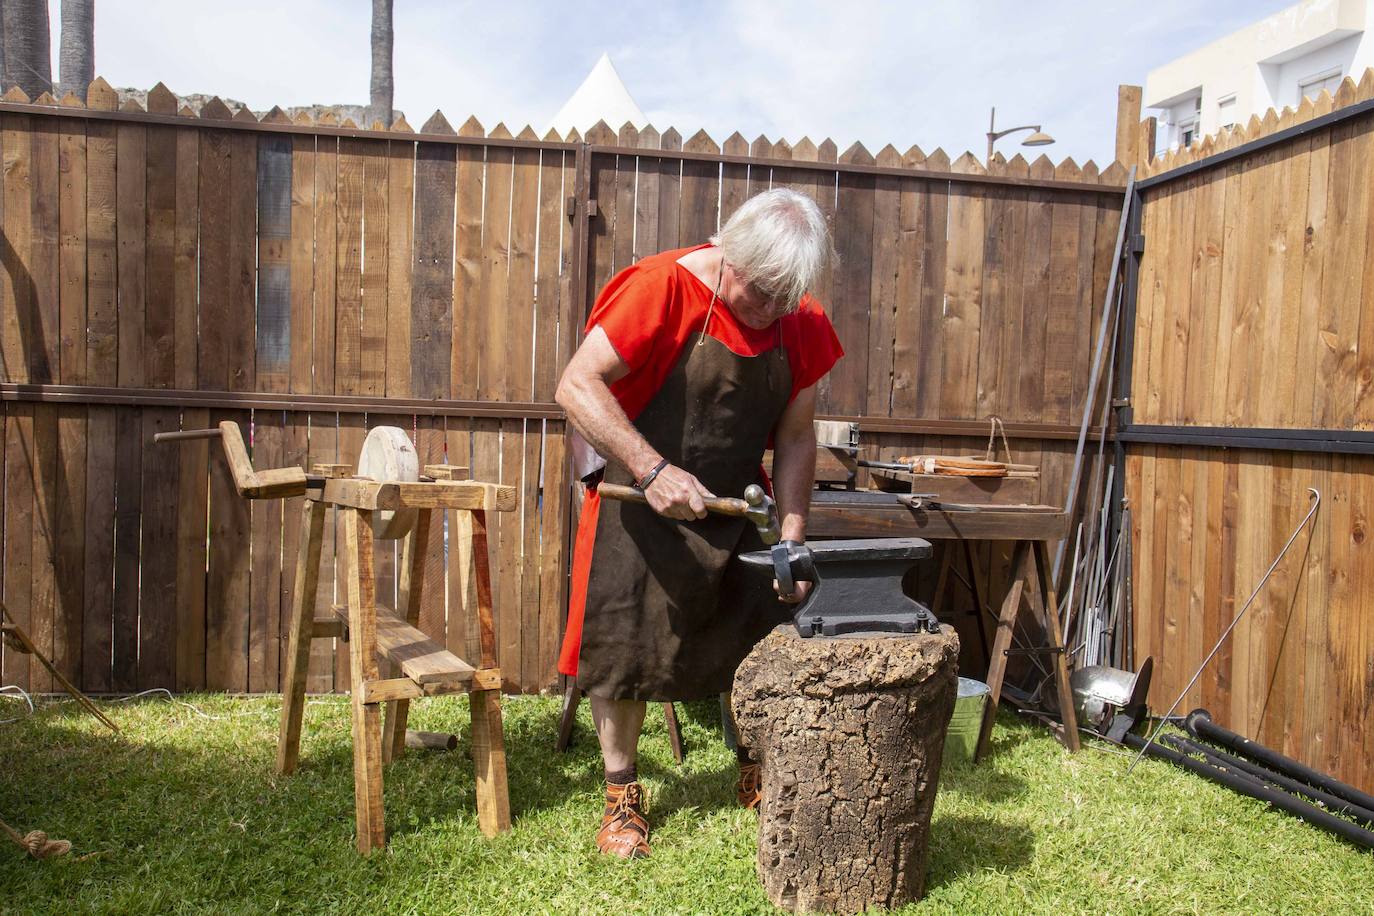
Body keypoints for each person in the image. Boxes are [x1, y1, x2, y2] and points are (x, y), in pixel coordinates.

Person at [554, 187, 843, 859]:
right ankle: (622, 796)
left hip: (738, 502)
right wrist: (652, 470)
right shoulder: (661, 289)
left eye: (785, 297)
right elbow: (576, 385)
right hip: (637, 493)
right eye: (762, 293)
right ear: (730, 257)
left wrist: (792, 538)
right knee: (625, 649)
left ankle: (756, 766)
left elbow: (798, 437)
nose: (772, 310)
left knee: (753, 636)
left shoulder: (800, 319)